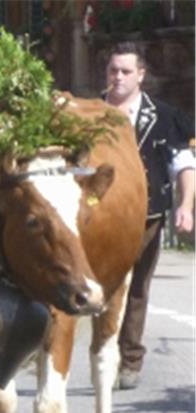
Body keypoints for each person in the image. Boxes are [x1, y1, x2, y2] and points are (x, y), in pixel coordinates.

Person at [104, 42, 195, 390]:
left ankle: (130, 360)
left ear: (141, 74)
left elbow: (183, 164)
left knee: (137, 288)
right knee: (104, 287)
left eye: (126, 71)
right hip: (99, 217)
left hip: (148, 214)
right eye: (113, 70)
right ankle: (104, 352)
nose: (118, 77)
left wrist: (186, 206)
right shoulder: (91, 112)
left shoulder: (165, 116)